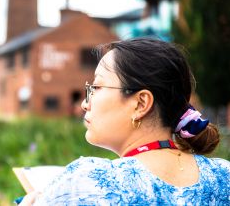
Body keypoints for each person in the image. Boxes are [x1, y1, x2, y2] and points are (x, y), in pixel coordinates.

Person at [19, 38, 230, 205]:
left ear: (140, 103)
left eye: (96, 87)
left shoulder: (88, 184)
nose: (85, 104)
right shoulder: (223, 177)